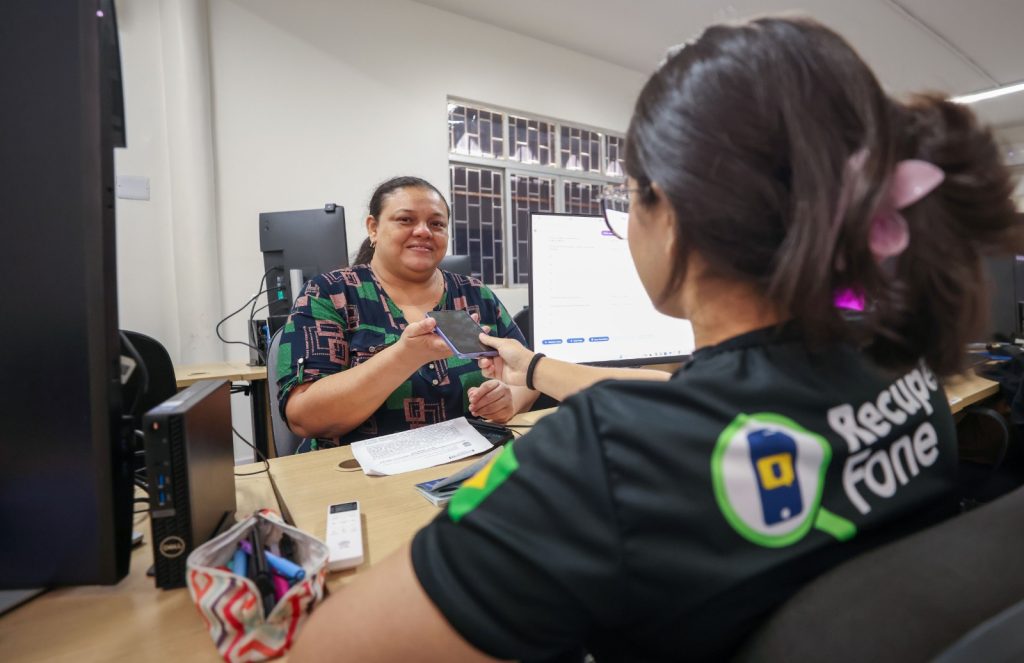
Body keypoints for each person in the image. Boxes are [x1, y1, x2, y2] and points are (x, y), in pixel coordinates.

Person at [291, 17, 1022, 661]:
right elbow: (688, 397)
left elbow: (329, 652)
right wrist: (537, 368)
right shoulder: (906, 364)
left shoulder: (599, 456)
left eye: (628, 198)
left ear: (668, 213)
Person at [277, 176, 537, 450]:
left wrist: (508, 401)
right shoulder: (330, 293)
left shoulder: (474, 294)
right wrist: (406, 356)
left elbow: (529, 375)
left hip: (471, 461)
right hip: (361, 468)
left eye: (436, 224)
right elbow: (304, 417)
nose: (424, 231)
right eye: (405, 220)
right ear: (373, 228)